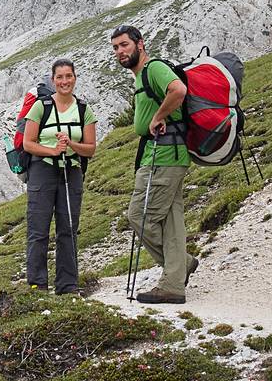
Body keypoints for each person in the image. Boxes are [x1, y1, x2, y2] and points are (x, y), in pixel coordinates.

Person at [110, 25, 199, 304]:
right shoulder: (141, 76)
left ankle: (178, 268)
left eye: (124, 45)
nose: (120, 52)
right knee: (171, 220)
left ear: (140, 44)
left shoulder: (154, 69)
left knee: (140, 215)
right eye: (115, 48)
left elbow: (178, 90)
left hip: (163, 156)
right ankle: (174, 280)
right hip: (166, 155)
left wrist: (159, 116)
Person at [22, 58, 97, 295]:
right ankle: (37, 284)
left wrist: (71, 144)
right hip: (42, 170)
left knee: (68, 227)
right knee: (38, 229)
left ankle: (67, 285)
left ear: (75, 78)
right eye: (60, 77)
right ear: (53, 80)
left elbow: (91, 148)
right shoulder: (41, 107)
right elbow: (28, 143)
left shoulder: (84, 109)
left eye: (69, 76)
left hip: (71, 170)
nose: (65, 81)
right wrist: (53, 150)